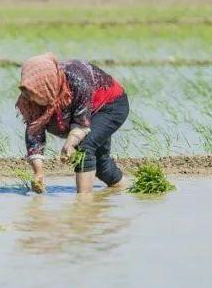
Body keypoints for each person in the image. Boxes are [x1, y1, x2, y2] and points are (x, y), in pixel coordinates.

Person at [16, 53, 130, 194]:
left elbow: (80, 121)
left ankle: (83, 202)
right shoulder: (30, 95)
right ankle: (128, 189)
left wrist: (70, 143)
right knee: (102, 167)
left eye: (37, 96)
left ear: (47, 86)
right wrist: (38, 173)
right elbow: (34, 134)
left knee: (84, 148)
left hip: (110, 105)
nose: (32, 100)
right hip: (87, 111)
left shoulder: (77, 79)